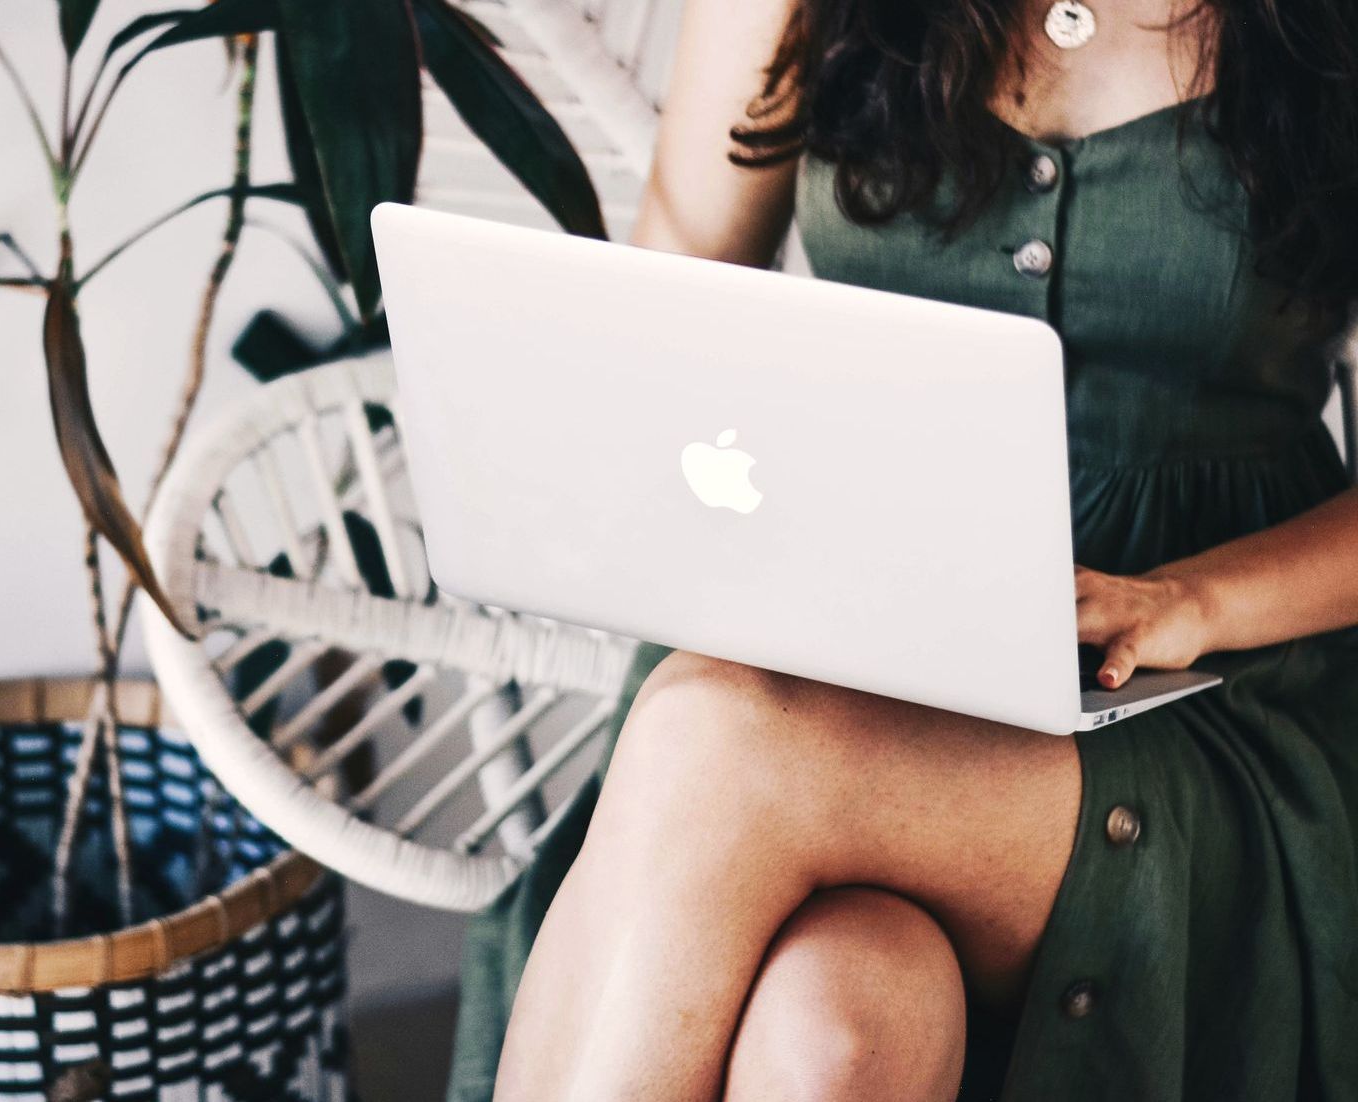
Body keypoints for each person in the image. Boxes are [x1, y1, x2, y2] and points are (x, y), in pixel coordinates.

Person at [445, 0, 1358, 1098]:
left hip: (1213, 686)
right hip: (853, 633)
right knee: (834, 1024)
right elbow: (677, 291)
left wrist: (1189, 599)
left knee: (716, 735)